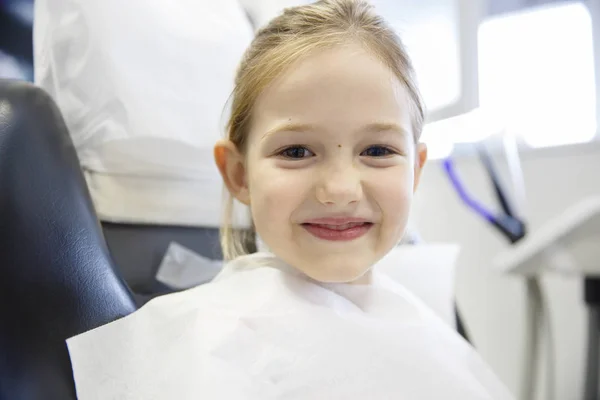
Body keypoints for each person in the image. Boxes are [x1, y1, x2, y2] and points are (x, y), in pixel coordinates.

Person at [66, 1, 516, 398]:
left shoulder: (423, 325)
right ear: (239, 174)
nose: (340, 189)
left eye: (377, 151)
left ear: (414, 170)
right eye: (296, 151)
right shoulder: (209, 345)